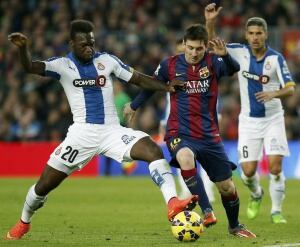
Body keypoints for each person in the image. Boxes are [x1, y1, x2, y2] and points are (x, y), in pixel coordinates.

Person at [5, 20, 198, 240]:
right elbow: (30, 66)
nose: (89, 47)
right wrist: (22, 49)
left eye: (92, 43)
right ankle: (23, 221)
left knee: (153, 150)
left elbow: (138, 79)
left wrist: (166, 86)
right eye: (83, 44)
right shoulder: (62, 65)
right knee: (42, 188)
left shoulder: (107, 61)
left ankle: (173, 203)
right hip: (81, 135)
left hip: (112, 131)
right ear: (71, 44)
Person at [124, 23, 256, 238]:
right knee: (185, 158)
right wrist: (134, 105)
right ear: (183, 45)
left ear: (205, 48)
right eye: (190, 48)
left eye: (199, 49)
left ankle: (235, 226)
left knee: (227, 187)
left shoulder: (213, 62)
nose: (194, 53)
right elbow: (152, 85)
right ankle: (207, 211)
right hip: (179, 131)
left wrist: (226, 56)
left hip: (208, 135)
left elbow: (233, 69)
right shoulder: (169, 65)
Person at [205, 4, 296, 223]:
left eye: (259, 33)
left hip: (273, 119)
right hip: (248, 122)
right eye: (251, 33)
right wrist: (210, 22)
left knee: (275, 168)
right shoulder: (239, 51)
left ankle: (276, 211)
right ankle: (256, 194)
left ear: (266, 34)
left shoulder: (275, 59)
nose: (255, 37)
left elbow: (291, 87)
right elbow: (213, 44)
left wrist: (274, 93)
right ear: (246, 35)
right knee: (247, 171)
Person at [160, 38, 216, 202]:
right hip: (177, 124)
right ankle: (186, 190)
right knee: (181, 157)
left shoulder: (203, 71)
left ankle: (209, 189)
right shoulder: (172, 72)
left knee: (205, 158)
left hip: (204, 122)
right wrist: (164, 122)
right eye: (180, 51)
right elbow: (170, 103)